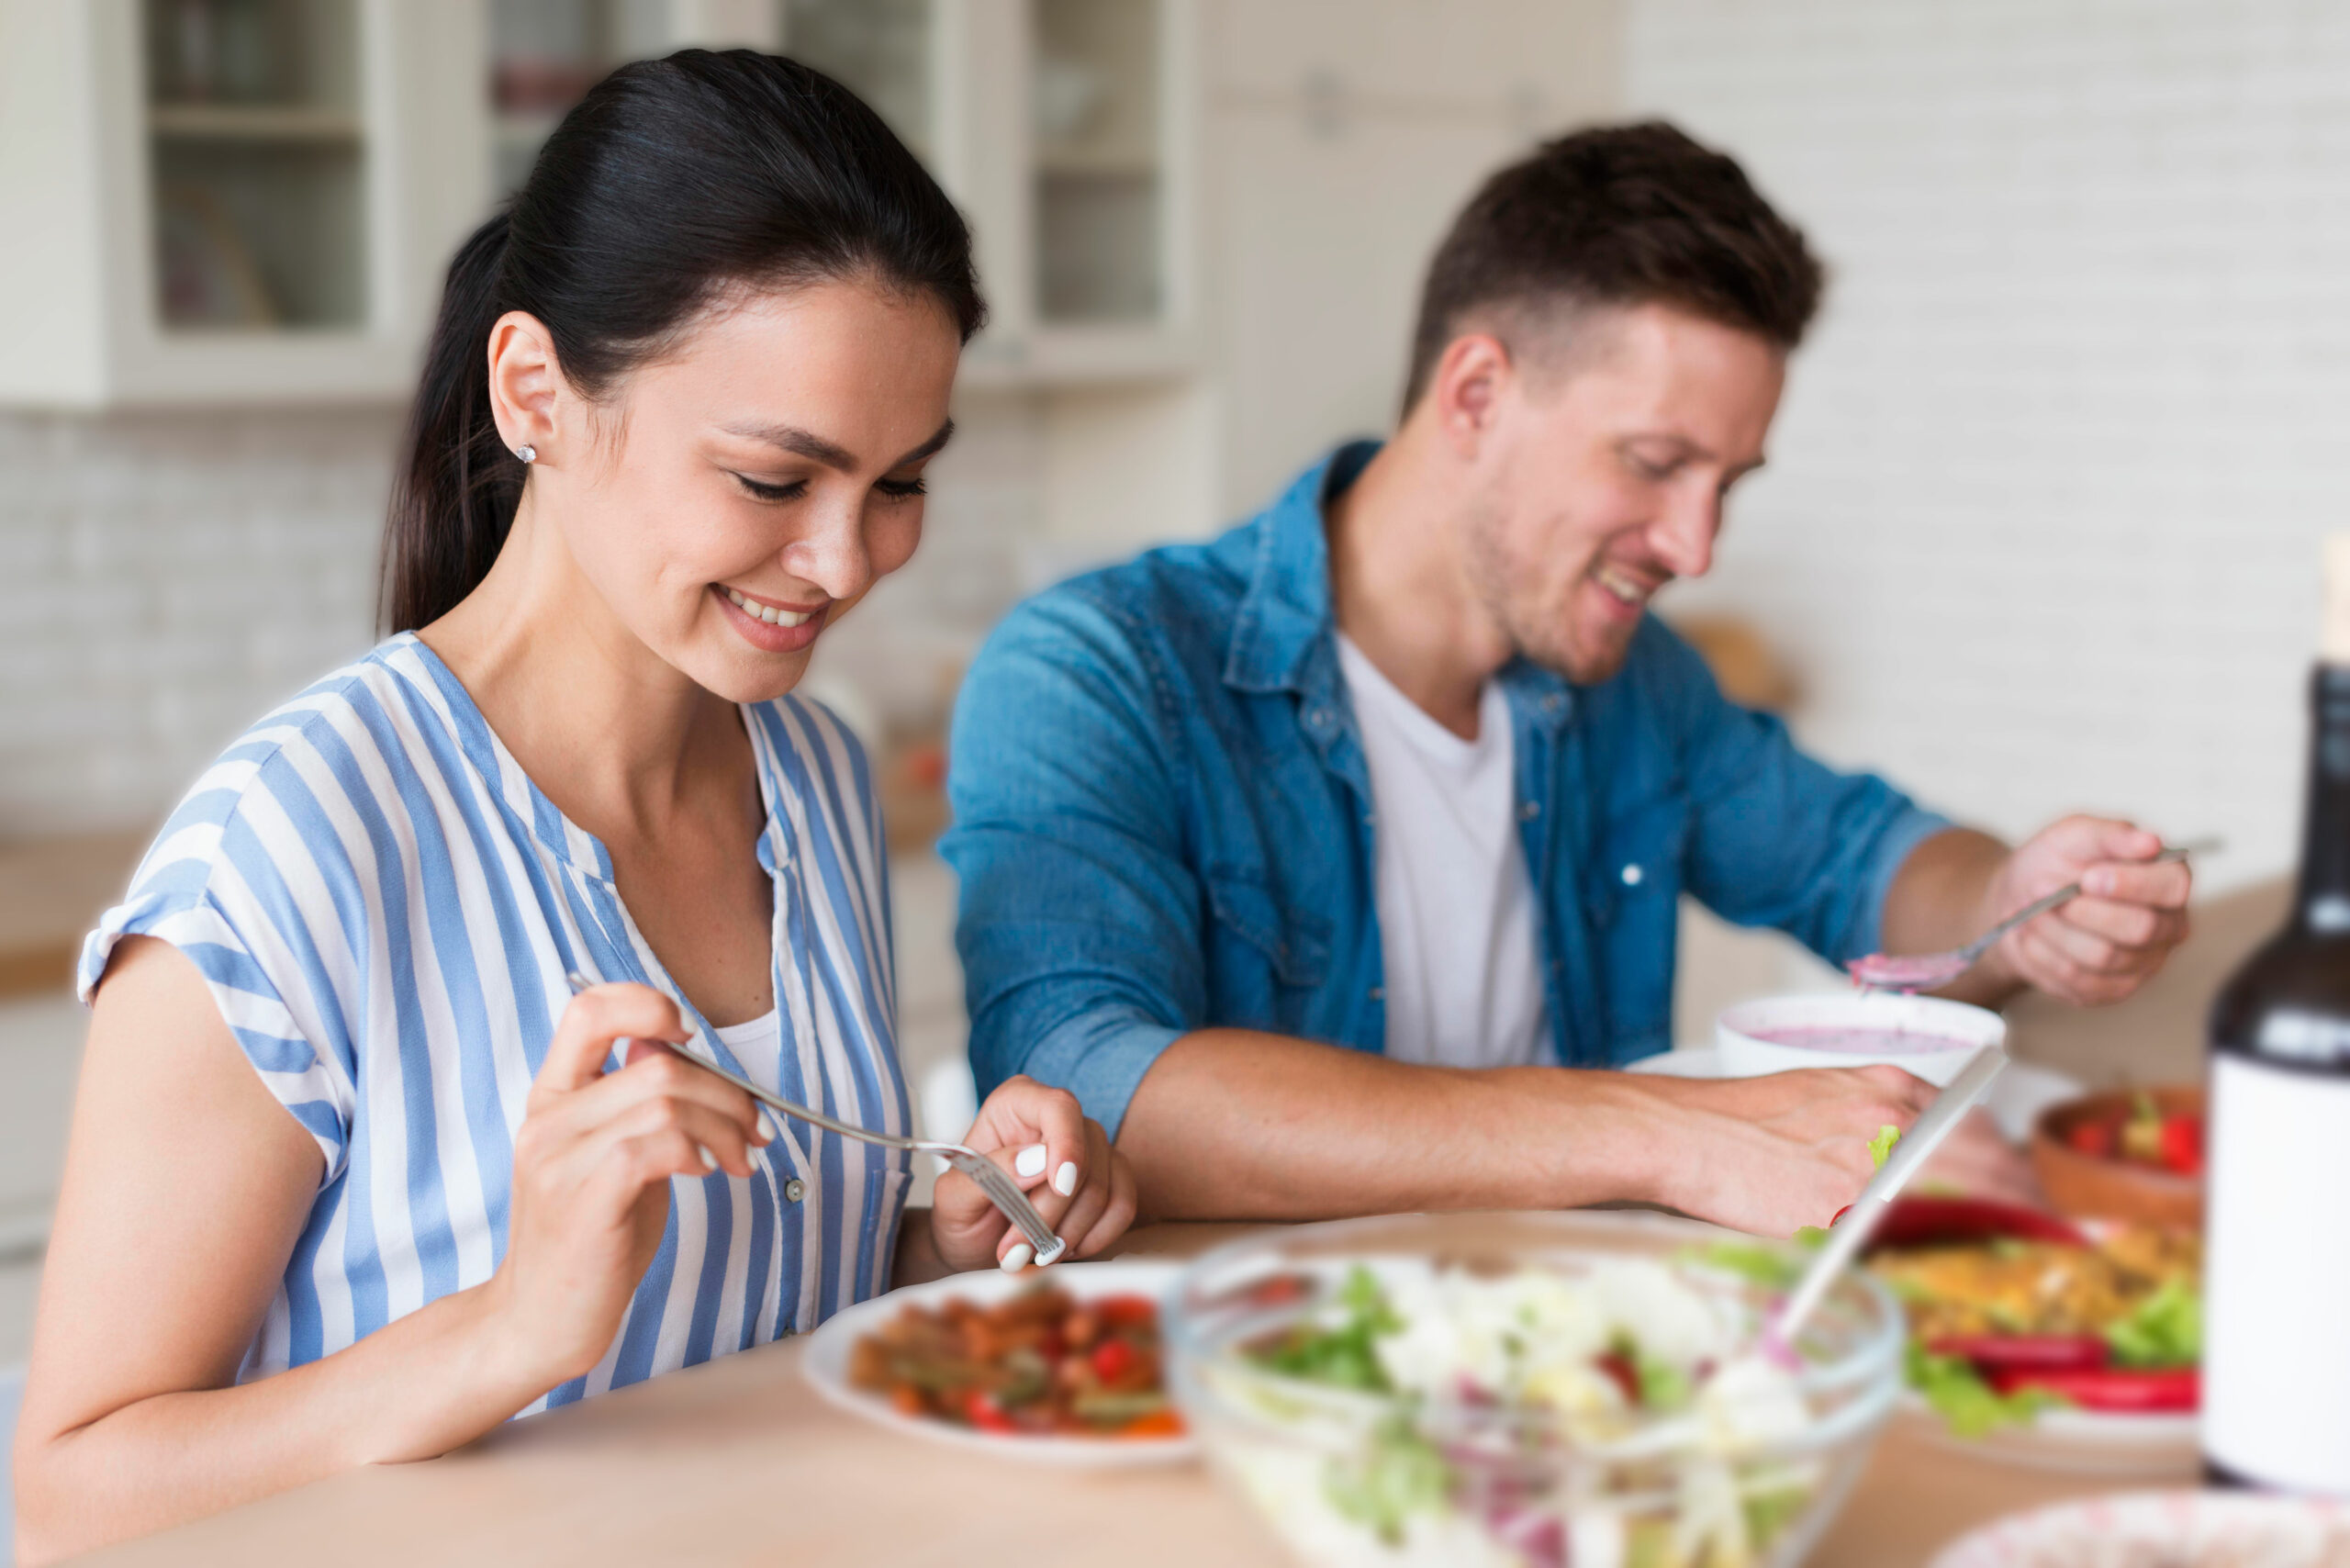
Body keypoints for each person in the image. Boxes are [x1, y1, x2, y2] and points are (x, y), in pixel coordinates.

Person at [12, 52, 1135, 1565]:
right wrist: (512, 1326)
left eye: (898, 484)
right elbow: (76, 1489)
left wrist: (937, 1242)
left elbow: (749, 1318)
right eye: (770, 478)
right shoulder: (292, 845)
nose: (848, 561)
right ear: (537, 390)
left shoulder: (803, 768)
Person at [941, 121, 2191, 1237]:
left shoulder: (1633, 689)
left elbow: (1867, 869)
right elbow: (1087, 1085)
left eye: (1728, 487)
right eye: (1654, 463)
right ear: (1478, 392)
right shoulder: (1101, 670)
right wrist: (1682, 1130)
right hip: (1265, 1384)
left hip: (1574, 1362)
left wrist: (2021, 898)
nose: (1696, 548)